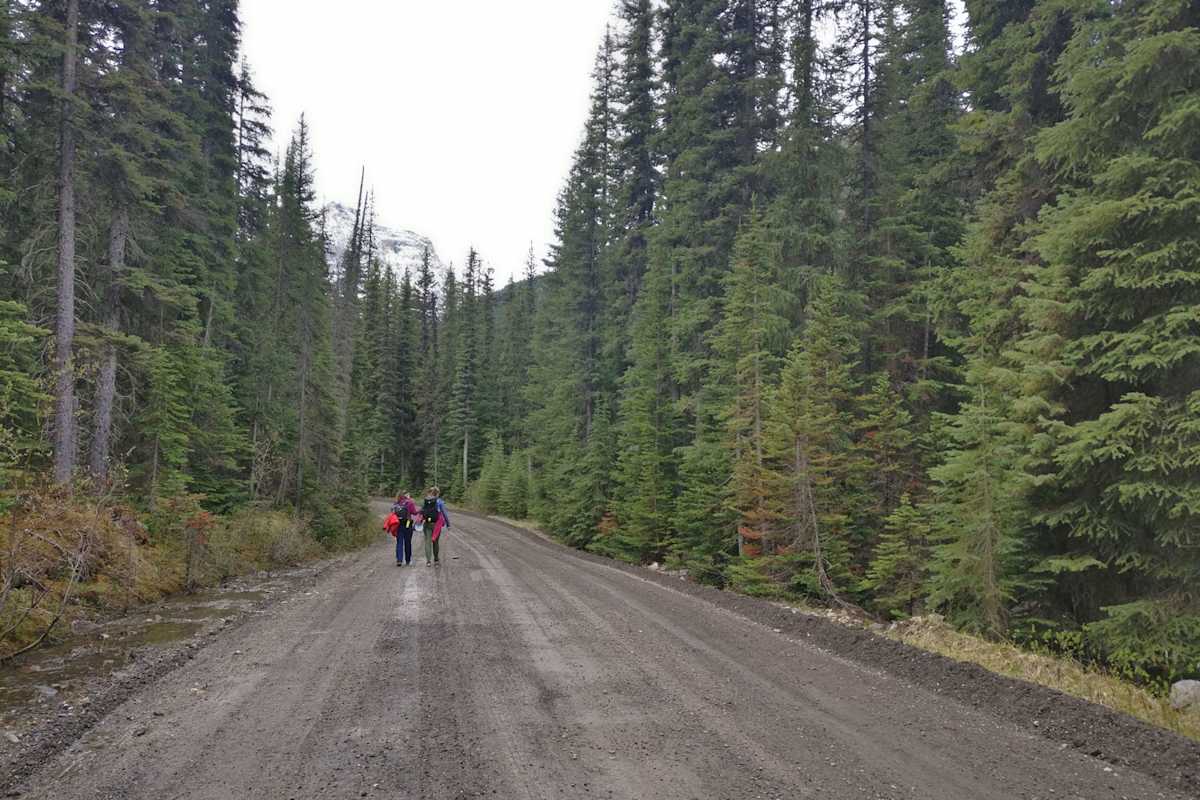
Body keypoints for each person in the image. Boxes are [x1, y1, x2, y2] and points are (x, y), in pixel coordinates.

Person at [420, 486, 450, 566]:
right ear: (437, 493)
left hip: (427, 524)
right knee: (435, 542)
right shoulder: (440, 502)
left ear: (430, 492)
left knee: (427, 542)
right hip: (436, 525)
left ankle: (428, 561)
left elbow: (422, 511)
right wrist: (448, 524)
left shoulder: (426, 501)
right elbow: (444, 513)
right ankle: (436, 559)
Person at [391, 492, 419, 566]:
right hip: (407, 524)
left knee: (399, 542)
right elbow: (415, 513)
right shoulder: (409, 503)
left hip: (398, 525)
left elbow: (392, 513)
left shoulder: (396, 503)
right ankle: (408, 560)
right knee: (408, 542)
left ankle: (399, 560)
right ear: (406, 495)